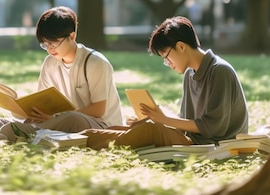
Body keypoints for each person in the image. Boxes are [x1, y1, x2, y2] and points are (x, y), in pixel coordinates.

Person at [82, 16, 249, 150]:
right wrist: (154, 117)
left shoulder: (219, 71)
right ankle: (82, 138)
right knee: (141, 127)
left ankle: (86, 142)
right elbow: (185, 122)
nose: (168, 63)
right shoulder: (190, 74)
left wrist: (162, 120)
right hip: (194, 140)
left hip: (214, 146)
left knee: (151, 130)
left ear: (181, 47)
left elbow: (213, 127)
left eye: (167, 57)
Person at [0, 6, 124, 141]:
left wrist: (58, 116)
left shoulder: (94, 62)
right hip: (55, 122)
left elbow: (99, 110)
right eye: (45, 44)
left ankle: (18, 133)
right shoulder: (50, 63)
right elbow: (44, 101)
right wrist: (28, 111)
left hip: (99, 125)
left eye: (53, 43)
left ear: (72, 36)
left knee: (73, 119)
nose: (50, 49)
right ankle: (18, 132)